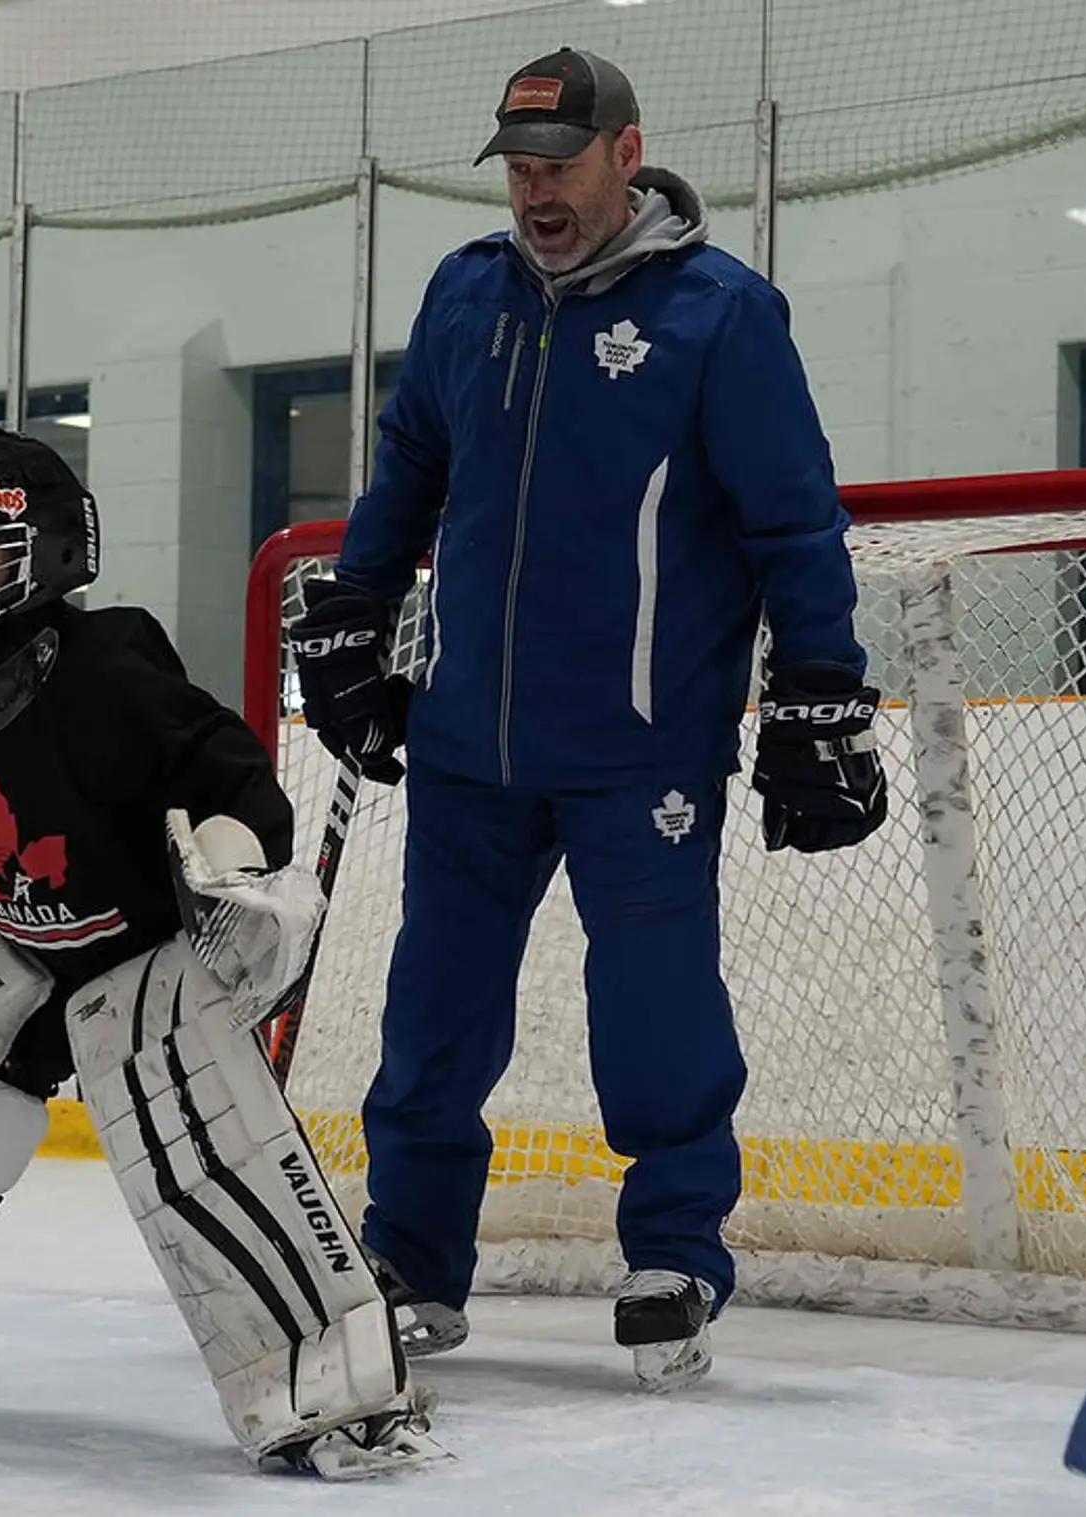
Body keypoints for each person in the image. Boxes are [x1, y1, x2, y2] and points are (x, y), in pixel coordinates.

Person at [287, 47, 888, 1392]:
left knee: (655, 1003)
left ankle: (673, 1252)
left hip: (642, 745)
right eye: (517, 167)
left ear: (627, 153)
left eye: (559, 164)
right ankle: (412, 1257)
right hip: (467, 744)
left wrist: (819, 692)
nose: (535, 192)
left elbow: (794, 522)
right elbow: (411, 471)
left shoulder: (720, 316)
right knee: (434, 1007)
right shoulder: (466, 293)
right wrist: (352, 615)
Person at [0, 423, 445, 1480]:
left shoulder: (107, 665)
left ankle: (324, 1370)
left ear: (43, 553)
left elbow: (240, 784)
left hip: (149, 960)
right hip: (25, 953)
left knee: (175, 1096)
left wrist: (225, 877)